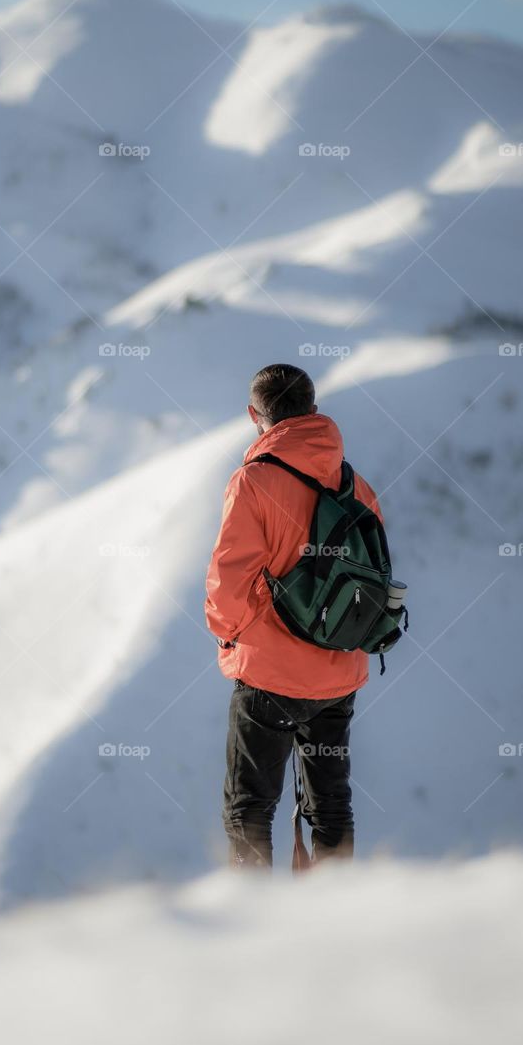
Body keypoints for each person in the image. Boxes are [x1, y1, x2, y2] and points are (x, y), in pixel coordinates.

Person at [205, 363, 384, 869]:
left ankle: (255, 926)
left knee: (250, 808)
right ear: (313, 411)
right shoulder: (354, 484)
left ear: (254, 416)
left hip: (270, 675)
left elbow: (229, 578)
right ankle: (332, 912)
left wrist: (228, 638)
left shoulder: (253, 482)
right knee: (331, 805)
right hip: (337, 672)